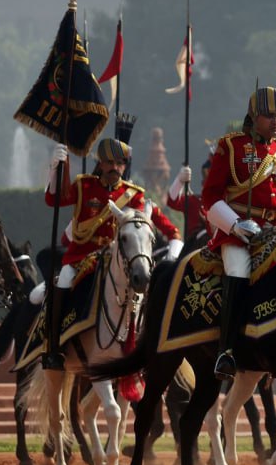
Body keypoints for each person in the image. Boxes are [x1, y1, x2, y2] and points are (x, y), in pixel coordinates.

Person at [202, 87, 276, 380]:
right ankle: (227, 351)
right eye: (269, 115)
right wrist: (235, 225)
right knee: (237, 271)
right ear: (253, 116)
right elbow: (209, 197)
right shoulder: (230, 147)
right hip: (239, 234)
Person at [42, 137, 150, 368]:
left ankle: (147, 342)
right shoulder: (83, 186)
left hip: (116, 260)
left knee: (144, 289)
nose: (115, 168)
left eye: (120, 163)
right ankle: (54, 347)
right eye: (109, 163)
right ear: (100, 164)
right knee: (63, 283)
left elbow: (137, 229)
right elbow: (54, 200)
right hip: (81, 257)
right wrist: (55, 169)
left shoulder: (134, 195)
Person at [167, 153, 211, 242]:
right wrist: (180, 180)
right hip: (193, 247)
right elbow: (172, 201)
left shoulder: (229, 202)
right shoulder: (195, 201)